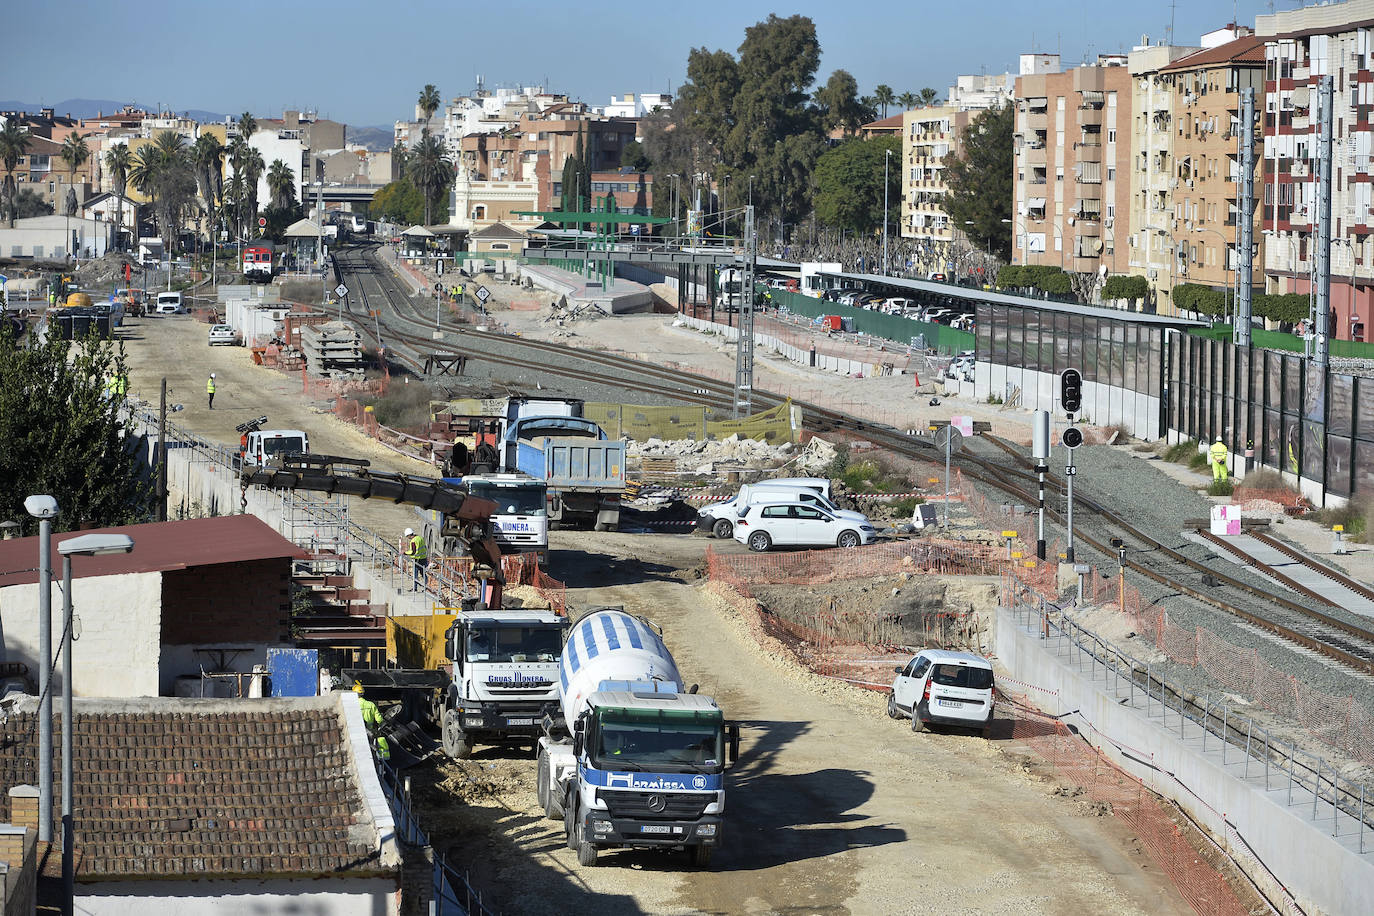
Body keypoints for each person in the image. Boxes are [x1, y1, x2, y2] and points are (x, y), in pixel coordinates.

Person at [353, 682, 390, 761]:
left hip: (356, 733)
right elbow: (379, 720)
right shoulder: (371, 704)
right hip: (370, 732)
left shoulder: (352, 704)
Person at [403, 527, 428, 592]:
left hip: (417, 560)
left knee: (415, 574)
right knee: (423, 573)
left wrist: (405, 553)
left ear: (409, 535)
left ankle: (415, 588)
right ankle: (426, 587)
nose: (407, 538)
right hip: (424, 558)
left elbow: (413, 552)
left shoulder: (413, 541)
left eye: (407, 536)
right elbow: (424, 547)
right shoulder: (420, 538)